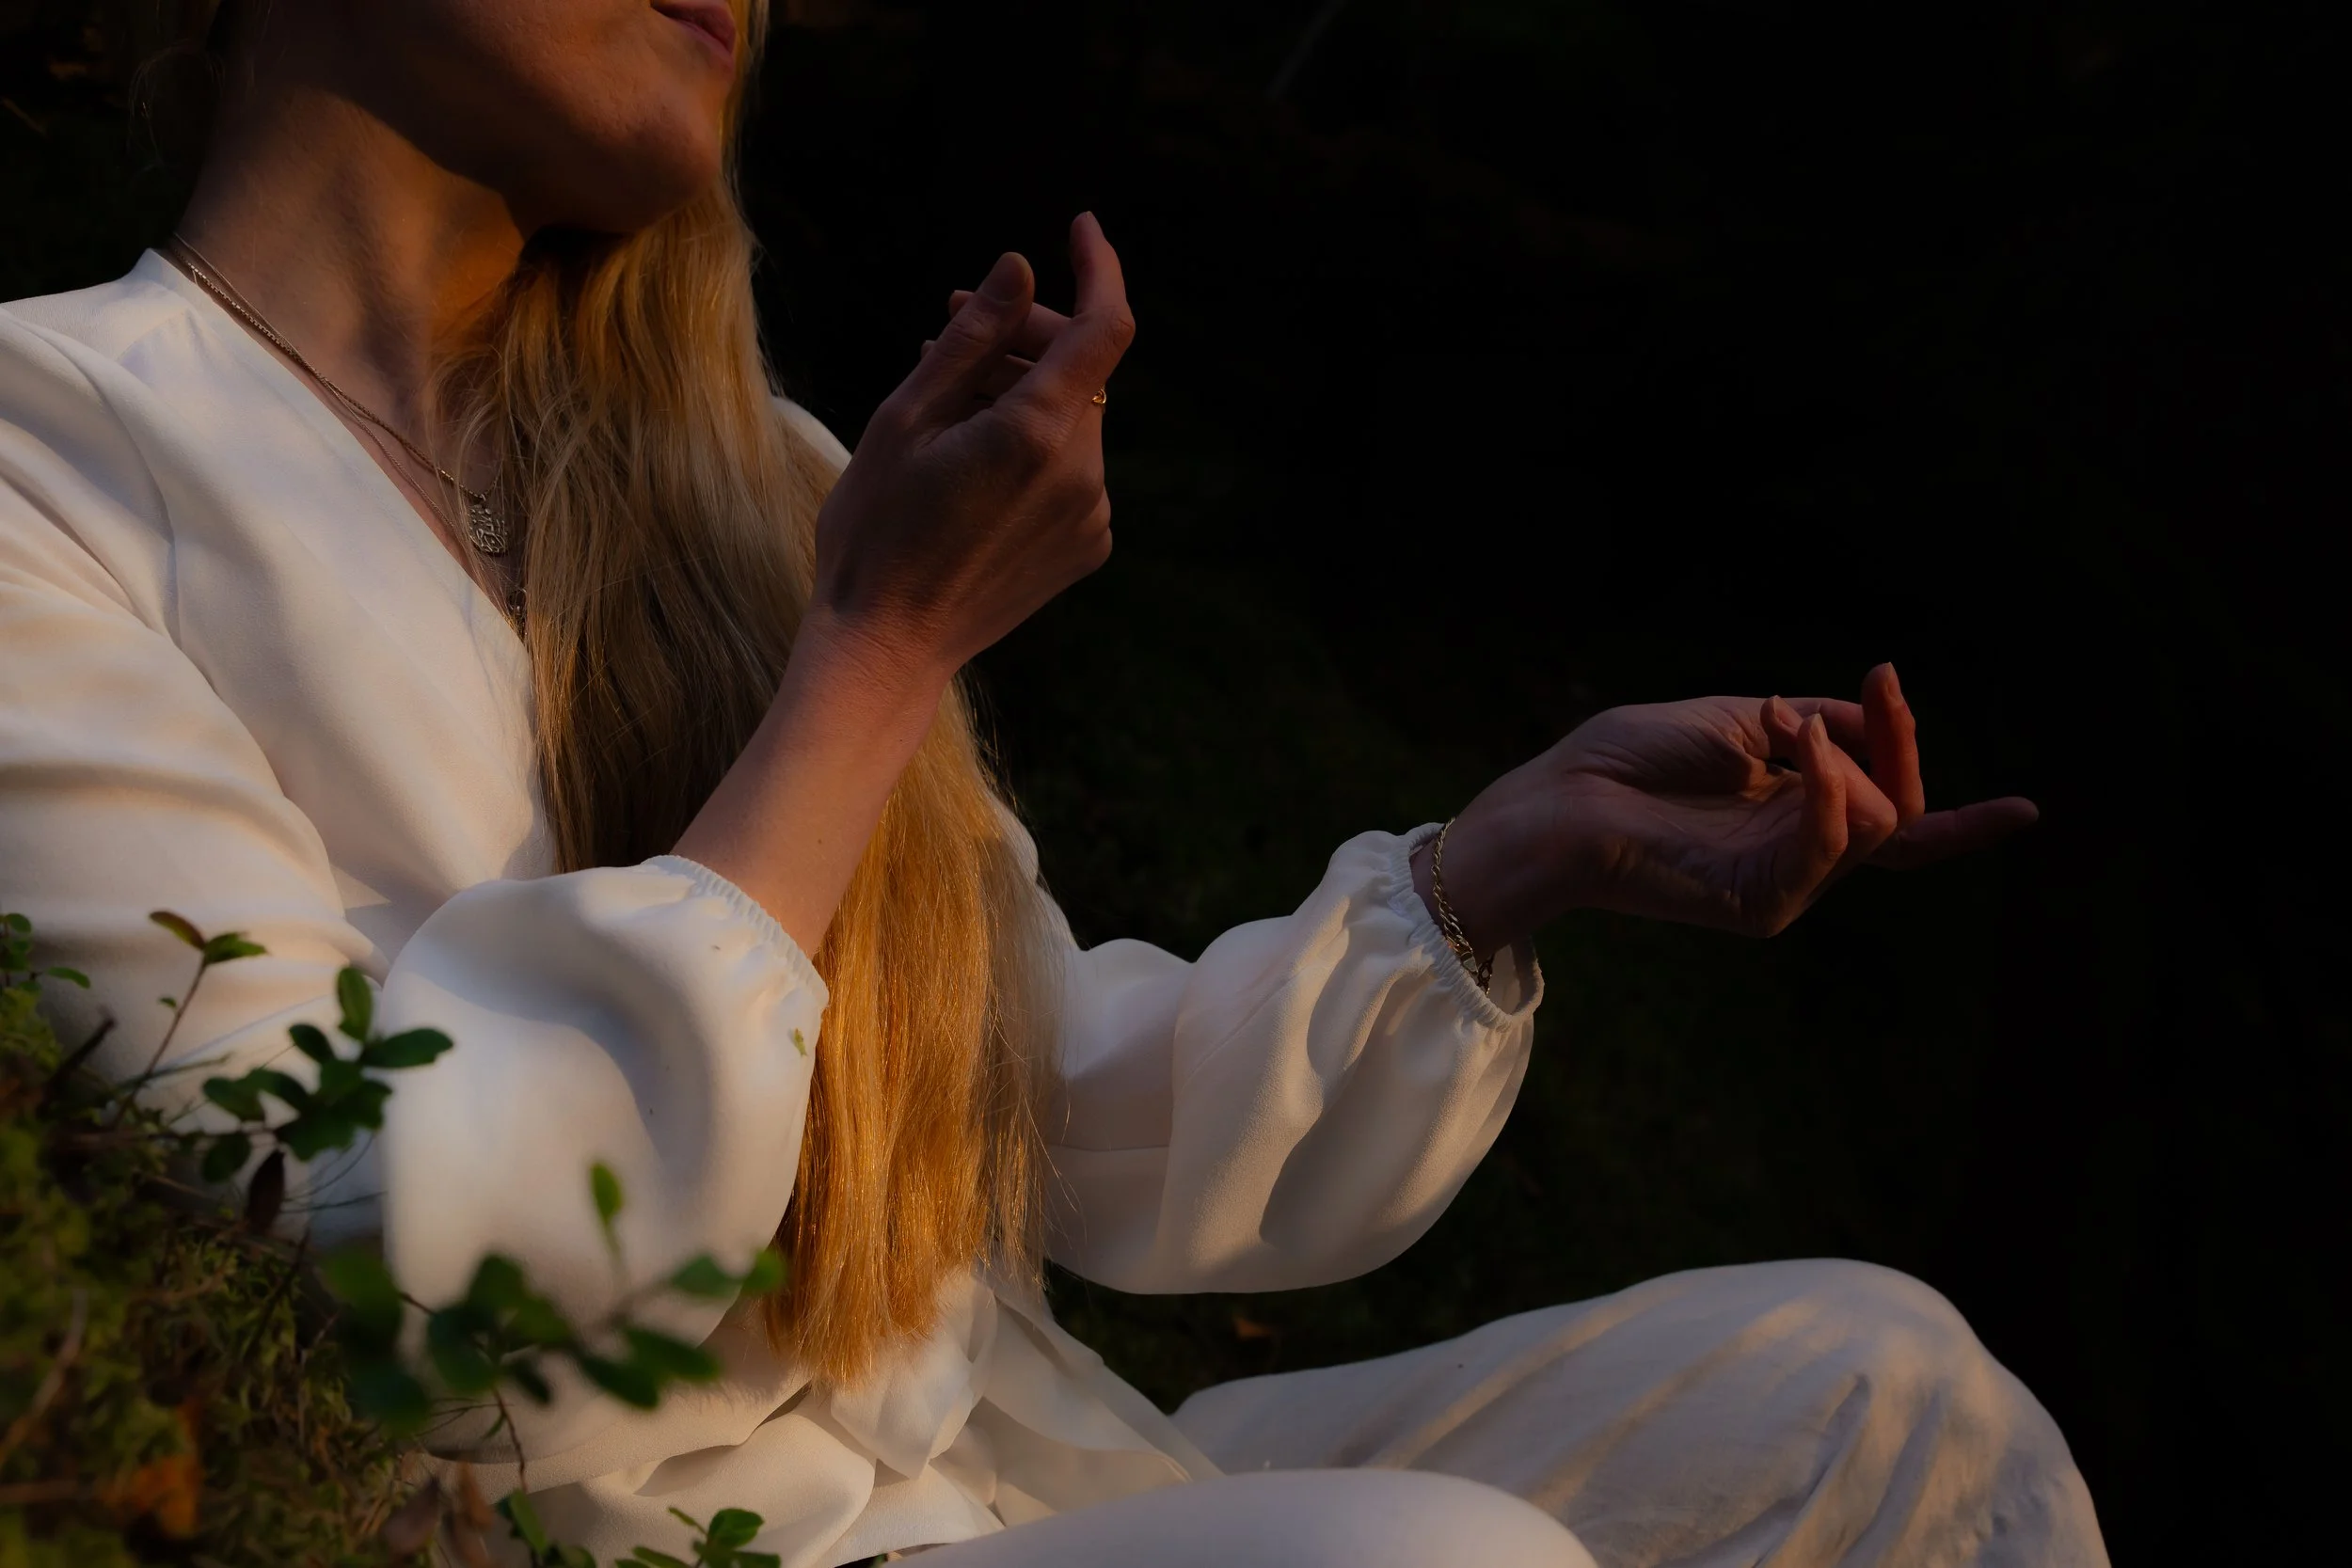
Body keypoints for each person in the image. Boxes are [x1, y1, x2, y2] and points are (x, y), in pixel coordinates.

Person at [0, 2, 2107, 1564]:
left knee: (1890, 1397)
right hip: (627, 1534)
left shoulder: (759, 485)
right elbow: (359, 1257)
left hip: (1032, 1484)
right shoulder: (50, 461)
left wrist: (1495, 868)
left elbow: (1046, 1117)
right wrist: (872, 660)